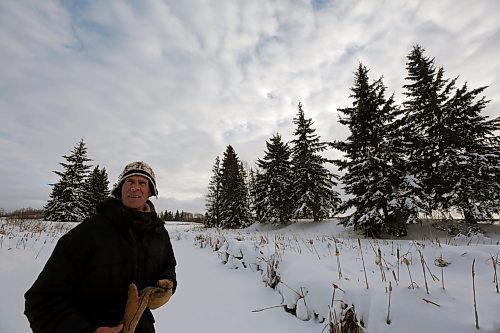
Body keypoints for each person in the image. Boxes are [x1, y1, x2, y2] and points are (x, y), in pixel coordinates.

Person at [25, 161, 177, 333]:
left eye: (142, 183)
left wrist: (167, 285)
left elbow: (168, 265)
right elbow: (41, 300)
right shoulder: (88, 233)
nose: (135, 187)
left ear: (150, 192)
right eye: (130, 182)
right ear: (120, 189)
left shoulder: (158, 233)